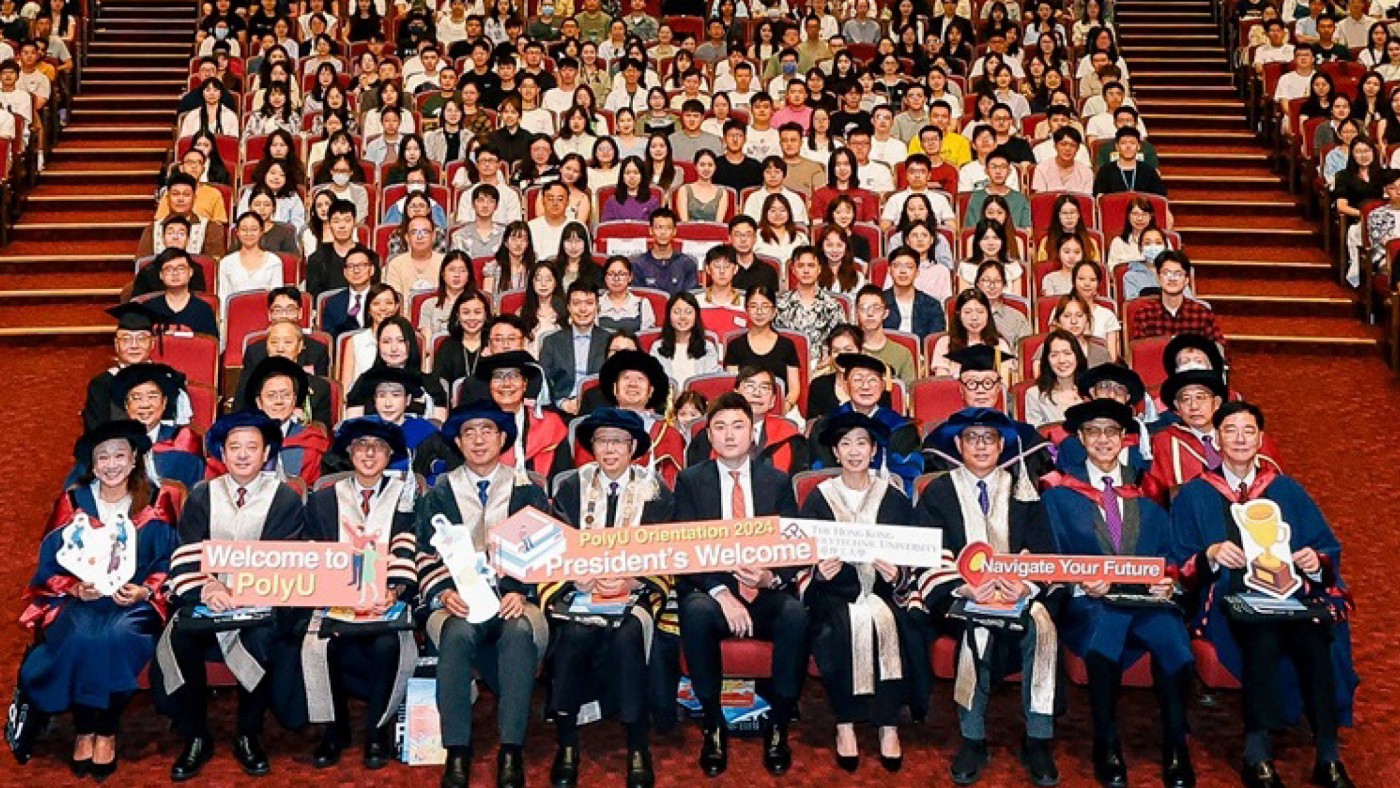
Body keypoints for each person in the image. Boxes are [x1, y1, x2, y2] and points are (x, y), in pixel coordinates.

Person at [1169, 402, 1357, 788]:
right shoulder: (1195, 494)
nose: (1239, 438)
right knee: (1261, 635)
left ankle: (1328, 754)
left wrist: (1312, 559)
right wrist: (1210, 555)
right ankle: (1256, 753)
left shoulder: (1285, 488)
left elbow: (1326, 548)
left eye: (1249, 430)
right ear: (1217, 438)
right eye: (1231, 430)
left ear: (1260, 439)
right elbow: (1177, 563)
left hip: (1290, 596)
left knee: (1316, 634)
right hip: (1230, 600)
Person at [1042, 400, 1196, 788]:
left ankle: (1176, 744)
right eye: (1094, 431)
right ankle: (1106, 741)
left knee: (1175, 646)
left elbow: (1172, 552)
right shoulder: (1058, 492)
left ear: (1124, 438)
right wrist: (1080, 582)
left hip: (1147, 601)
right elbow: (1052, 556)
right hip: (1092, 602)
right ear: (1080, 438)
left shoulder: (1148, 488)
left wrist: (1170, 580)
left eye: (1112, 431)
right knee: (1104, 640)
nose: (1103, 440)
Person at [14, 421, 181, 776]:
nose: (111, 464)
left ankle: (104, 730)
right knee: (82, 635)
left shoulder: (156, 501)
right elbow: (48, 563)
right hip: (79, 599)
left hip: (133, 602)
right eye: (102, 457)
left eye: (120, 454)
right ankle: (85, 727)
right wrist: (74, 587)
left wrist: (145, 589)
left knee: (116, 636)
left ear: (135, 457)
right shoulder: (73, 502)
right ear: (92, 464)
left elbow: (170, 561)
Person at [911, 408, 1060, 787]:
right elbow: (928, 552)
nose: (980, 445)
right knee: (976, 626)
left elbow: (1041, 551)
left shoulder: (1024, 489)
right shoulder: (939, 491)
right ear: (958, 444)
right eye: (972, 438)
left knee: (1042, 626)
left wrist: (1024, 585)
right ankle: (972, 737)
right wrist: (962, 587)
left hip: (1018, 595)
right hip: (962, 595)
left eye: (989, 438)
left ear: (1002, 445)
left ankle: (1038, 738)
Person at [155, 411, 304, 781]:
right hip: (208, 597)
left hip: (263, 601)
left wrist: (244, 591)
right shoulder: (204, 494)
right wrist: (209, 587)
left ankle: (248, 733)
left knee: (262, 637)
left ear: (266, 451)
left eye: (251, 447)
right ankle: (195, 735)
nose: (242, 455)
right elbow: (188, 551)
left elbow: (287, 558)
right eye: (233, 447)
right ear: (221, 451)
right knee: (182, 637)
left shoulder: (284, 498)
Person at [417, 399, 552, 788]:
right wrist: (443, 594)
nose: (478, 440)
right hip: (456, 600)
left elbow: (549, 555)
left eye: (487, 431)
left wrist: (523, 592)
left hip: (515, 601)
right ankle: (457, 749)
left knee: (519, 633)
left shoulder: (527, 491)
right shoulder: (440, 493)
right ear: (457, 442)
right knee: (455, 634)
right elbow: (423, 553)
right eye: (469, 433)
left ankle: (511, 749)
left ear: (503, 438)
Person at [673, 392, 805, 777]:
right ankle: (713, 724)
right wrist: (722, 593)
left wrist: (771, 577)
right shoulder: (691, 481)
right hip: (713, 591)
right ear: (708, 435)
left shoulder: (777, 481)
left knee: (795, 615)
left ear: (753, 434)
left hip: (764, 590)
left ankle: (778, 724)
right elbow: (685, 548)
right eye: (720, 427)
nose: (729, 435)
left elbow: (795, 545)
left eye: (738, 426)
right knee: (695, 612)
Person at [545, 407, 676, 788]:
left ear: (633, 446)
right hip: (581, 593)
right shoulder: (571, 487)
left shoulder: (655, 491)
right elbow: (556, 547)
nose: (610, 449)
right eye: (602, 440)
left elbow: (668, 553)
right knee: (574, 635)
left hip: (636, 593)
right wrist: (578, 579)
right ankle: (567, 741)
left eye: (618, 441)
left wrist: (633, 581)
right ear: (592, 446)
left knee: (628, 634)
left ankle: (638, 743)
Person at [288, 418, 419, 771]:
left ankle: (377, 731)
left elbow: (411, 547)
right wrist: (330, 592)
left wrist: (396, 589)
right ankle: (335, 729)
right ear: (348, 451)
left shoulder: (406, 498)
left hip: (386, 602)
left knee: (387, 644)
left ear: (390, 454)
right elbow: (312, 550)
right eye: (361, 445)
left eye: (378, 447)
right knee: (323, 640)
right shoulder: (324, 499)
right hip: (335, 602)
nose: (369, 453)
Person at [798, 411, 915, 773]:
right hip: (834, 594)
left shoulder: (893, 498)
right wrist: (818, 573)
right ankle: (845, 723)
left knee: (895, 623)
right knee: (840, 626)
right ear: (834, 452)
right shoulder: (818, 499)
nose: (853, 451)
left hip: (882, 593)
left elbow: (913, 554)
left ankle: (888, 724)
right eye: (845, 443)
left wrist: (898, 574)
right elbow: (801, 556)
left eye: (861, 443)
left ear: (873, 450)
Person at [1145, 369, 1283, 505]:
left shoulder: (1253, 439)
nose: (1193, 406)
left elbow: (1277, 489)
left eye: (1200, 397)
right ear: (1177, 407)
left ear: (1216, 403)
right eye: (1185, 399)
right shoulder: (1164, 441)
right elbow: (1156, 495)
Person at [807, 354, 925, 492]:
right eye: (857, 379)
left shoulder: (902, 429)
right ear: (846, 386)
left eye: (872, 380)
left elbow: (910, 475)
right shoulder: (825, 426)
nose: (865, 386)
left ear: (882, 386)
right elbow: (819, 473)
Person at [84, 302, 192, 432]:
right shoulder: (102, 384)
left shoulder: (170, 379)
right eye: (126, 339)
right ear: (116, 344)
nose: (134, 346)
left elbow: (180, 429)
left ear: (152, 343)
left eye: (141, 339)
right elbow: (96, 434)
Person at [104, 362, 206, 490]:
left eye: (152, 397)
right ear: (126, 405)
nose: (145, 404)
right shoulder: (107, 442)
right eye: (136, 398)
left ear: (164, 403)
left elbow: (198, 494)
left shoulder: (184, 440)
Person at [476, 350, 570, 479]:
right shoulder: (474, 426)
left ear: (525, 384)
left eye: (514, 376)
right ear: (490, 385)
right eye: (498, 376)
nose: (506, 384)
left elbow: (561, 476)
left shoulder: (550, 424)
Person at [538, 282, 611, 414]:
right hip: (561, 409)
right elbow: (544, 381)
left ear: (597, 307)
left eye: (589, 303)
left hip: (600, 410)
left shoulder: (609, 340)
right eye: (576, 303)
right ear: (569, 308)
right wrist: (561, 403)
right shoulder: (551, 341)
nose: (583, 309)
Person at [1127, 251, 1225, 345]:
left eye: (1178, 274)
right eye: (1166, 273)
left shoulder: (1202, 313)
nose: (1172, 278)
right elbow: (1140, 354)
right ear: (1158, 278)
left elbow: (1219, 351)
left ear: (1186, 280)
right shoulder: (1145, 313)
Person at [1023, 329, 1089, 428]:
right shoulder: (1035, 395)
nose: (1061, 360)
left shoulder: (1092, 391)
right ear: (1047, 360)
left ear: (1077, 356)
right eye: (1054, 355)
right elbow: (1037, 438)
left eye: (1067, 353)